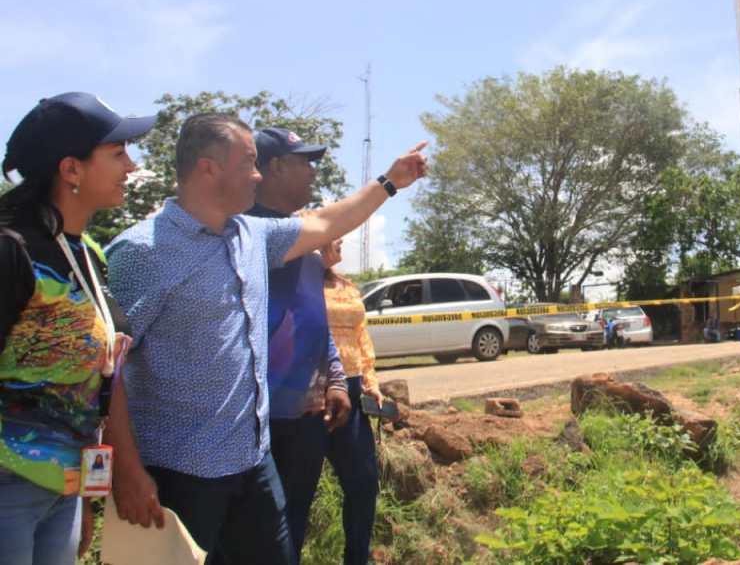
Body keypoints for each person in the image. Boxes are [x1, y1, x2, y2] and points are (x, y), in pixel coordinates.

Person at [104, 113, 426, 564]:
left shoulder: (253, 237)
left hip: (253, 462)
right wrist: (126, 469)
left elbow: (327, 222)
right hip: (180, 470)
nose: (258, 175)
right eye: (249, 163)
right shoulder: (142, 252)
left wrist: (390, 182)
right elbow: (106, 370)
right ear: (209, 168)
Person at [0, 93, 155, 565]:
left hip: (64, 490)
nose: (132, 166)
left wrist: (86, 492)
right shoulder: (11, 249)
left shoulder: (88, 254)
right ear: (71, 169)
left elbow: (98, 380)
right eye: (118, 153)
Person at [246, 128, 351, 562]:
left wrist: (336, 379)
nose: (313, 171)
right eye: (304, 162)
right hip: (256, 420)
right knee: (252, 541)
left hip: (307, 417)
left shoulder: (306, 243)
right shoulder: (245, 235)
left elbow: (313, 317)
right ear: (274, 167)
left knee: (293, 530)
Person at [321, 238, 385, 565]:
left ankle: (357, 558)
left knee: (363, 482)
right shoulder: (294, 283)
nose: (342, 240)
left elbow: (361, 336)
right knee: (295, 491)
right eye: (335, 234)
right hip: (310, 393)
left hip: (352, 388)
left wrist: (370, 382)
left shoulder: (347, 286)